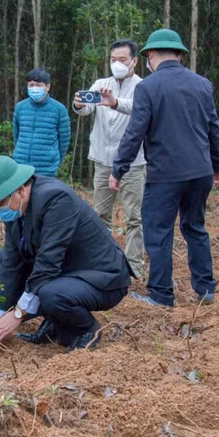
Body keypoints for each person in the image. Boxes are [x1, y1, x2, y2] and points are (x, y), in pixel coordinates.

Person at [111, 29, 219, 308]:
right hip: (200, 171)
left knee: (158, 231)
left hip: (165, 175)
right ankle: (206, 288)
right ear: (180, 55)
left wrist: (118, 169)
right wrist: (217, 164)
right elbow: (213, 127)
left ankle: (161, 294)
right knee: (195, 226)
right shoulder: (202, 84)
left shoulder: (147, 87)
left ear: (150, 55)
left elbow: (135, 132)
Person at [0, 156, 131, 352]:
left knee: (50, 293)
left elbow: (48, 263)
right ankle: (55, 322)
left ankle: (87, 330)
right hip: (64, 269)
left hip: (100, 277)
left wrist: (17, 315)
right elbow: (11, 261)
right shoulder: (17, 206)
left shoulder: (56, 199)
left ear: (20, 189)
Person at [73, 38, 147, 278]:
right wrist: (79, 105)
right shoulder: (101, 84)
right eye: (113, 59)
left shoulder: (143, 87)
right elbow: (87, 109)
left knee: (134, 217)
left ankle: (134, 267)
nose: (117, 64)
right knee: (100, 214)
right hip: (103, 161)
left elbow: (141, 109)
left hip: (133, 163)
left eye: (122, 60)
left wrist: (115, 103)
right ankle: (104, 261)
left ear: (134, 61)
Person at [11, 68, 71, 177]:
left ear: (47, 87)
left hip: (47, 169)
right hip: (21, 166)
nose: (34, 88)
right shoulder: (20, 107)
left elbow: (64, 140)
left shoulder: (59, 109)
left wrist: (54, 161)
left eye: (38, 85)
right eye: (31, 85)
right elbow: (16, 135)